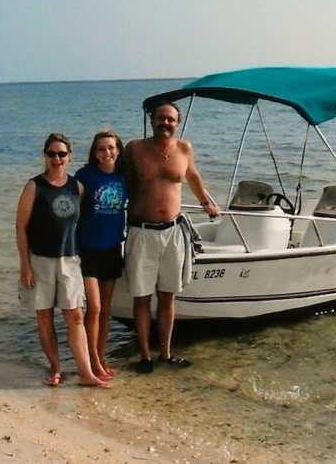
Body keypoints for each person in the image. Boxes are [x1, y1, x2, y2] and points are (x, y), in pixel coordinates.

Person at [124, 102, 220, 374]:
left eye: (171, 119)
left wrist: (206, 203)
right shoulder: (134, 149)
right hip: (141, 232)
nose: (165, 123)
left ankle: (165, 353)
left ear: (177, 123)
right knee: (141, 297)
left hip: (174, 232)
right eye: (161, 118)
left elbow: (192, 176)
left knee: (168, 296)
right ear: (151, 120)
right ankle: (145, 356)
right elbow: (115, 177)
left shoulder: (184, 149)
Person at [15, 133, 109, 388]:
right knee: (44, 317)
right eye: (52, 154)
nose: (57, 159)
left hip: (70, 261)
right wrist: (25, 265)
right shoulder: (34, 186)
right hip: (40, 261)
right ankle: (56, 368)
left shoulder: (76, 187)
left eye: (62, 154)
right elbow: (20, 227)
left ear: (69, 157)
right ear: (45, 156)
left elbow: (86, 222)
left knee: (75, 316)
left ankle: (86, 374)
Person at [75, 129, 127, 380]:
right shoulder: (85, 176)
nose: (107, 152)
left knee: (106, 309)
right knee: (93, 308)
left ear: (118, 150)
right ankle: (93, 361)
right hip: (88, 250)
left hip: (113, 248)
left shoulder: (123, 177)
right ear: (94, 153)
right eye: (101, 148)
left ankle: (100, 356)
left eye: (111, 147)